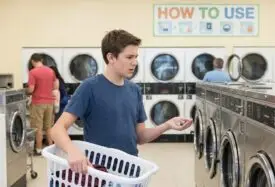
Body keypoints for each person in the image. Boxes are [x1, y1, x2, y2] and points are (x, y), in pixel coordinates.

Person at [50, 29, 193, 173]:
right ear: (111, 57)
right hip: (101, 172)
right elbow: (57, 129)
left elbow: (140, 137)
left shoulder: (134, 90)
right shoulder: (90, 87)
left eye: (136, 57)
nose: (135, 62)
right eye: (129, 57)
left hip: (130, 168)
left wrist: (167, 125)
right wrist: (72, 151)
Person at [26, 53, 58, 155]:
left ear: (32, 61)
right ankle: (51, 149)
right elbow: (55, 86)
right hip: (50, 103)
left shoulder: (32, 72)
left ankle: (39, 149)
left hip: (38, 103)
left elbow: (31, 89)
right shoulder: (51, 71)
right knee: (49, 127)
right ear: (42, 60)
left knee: (37, 127)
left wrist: (25, 91)